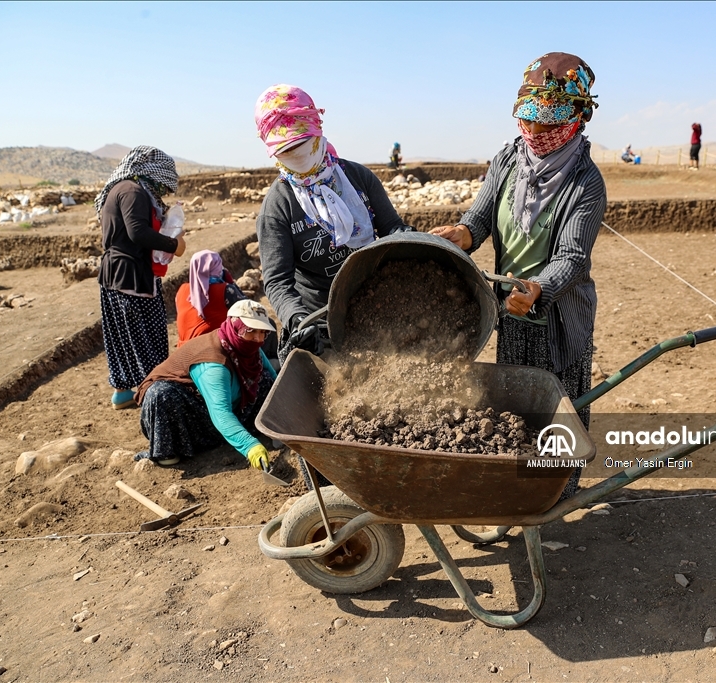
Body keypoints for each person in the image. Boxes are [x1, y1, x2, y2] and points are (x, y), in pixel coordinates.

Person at [430, 51, 605, 500]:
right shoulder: (509, 160)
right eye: (528, 121)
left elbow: (571, 256)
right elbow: (481, 218)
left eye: (548, 125)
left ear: (576, 120)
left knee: (558, 402)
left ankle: (557, 492)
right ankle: (521, 483)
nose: (535, 133)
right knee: (518, 399)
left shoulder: (586, 181)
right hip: (511, 308)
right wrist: (462, 233)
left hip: (557, 312)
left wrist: (539, 289)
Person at [253, 84, 415, 360]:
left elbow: (392, 229)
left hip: (377, 307)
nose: (299, 157)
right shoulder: (279, 206)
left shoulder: (358, 179)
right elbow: (278, 281)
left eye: (303, 144)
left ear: (317, 131)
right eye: (288, 151)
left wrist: (420, 244)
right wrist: (298, 320)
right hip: (320, 324)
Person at [134, 299, 278, 469]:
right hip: (186, 414)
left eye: (263, 332)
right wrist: (250, 446)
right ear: (235, 326)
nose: (258, 338)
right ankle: (170, 450)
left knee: (266, 379)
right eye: (251, 331)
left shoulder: (247, 346)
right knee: (161, 394)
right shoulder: (213, 364)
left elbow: (275, 380)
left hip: (223, 404)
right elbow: (220, 412)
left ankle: (233, 432)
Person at [95, 146, 186, 409]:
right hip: (131, 275)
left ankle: (123, 391)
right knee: (147, 335)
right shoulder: (133, 191)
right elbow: (138, 233)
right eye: (163, 185)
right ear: (153, 175)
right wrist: (174, 245)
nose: (164, 191)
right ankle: (155, 393)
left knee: (122, 336)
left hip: (115, 274)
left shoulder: (122, 189)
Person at [175, 250, 246, 346]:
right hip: (213, 348)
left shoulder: (182, 290)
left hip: (184, 349)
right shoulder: (226, 290)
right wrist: (230, 281)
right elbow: (249, 311)